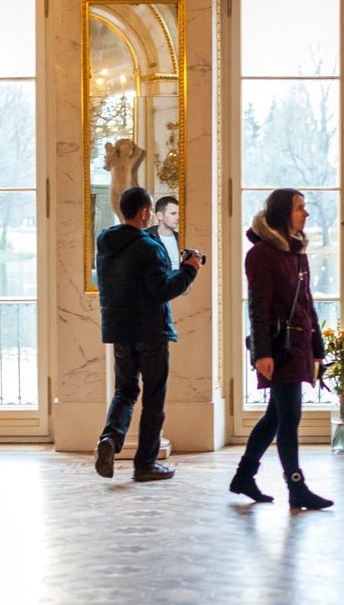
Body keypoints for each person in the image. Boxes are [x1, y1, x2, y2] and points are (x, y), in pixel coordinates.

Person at [228, 188, 333, 510]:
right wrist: (262, 353)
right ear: (283, 212)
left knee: (275, 417)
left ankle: (244, 476)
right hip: (278, 347)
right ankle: (296, 487)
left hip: (299, 346)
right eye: (300, 207)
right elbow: (257, 308)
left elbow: (307, 305)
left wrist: (318, 349)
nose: (306, 213)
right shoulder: (260, 254)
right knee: (289, 417)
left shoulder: (297, 251)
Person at [94, 187, 200, 482]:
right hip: (150, 331)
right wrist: (190, 269)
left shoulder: (104, 242)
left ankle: (111, 439)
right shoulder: (148, 247)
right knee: (153, 397)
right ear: (143, 212)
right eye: (151, 210)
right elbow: (162, 290)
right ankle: (146, 464)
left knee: (125, 392)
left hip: (118, 329)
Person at [151, 196, 181, 270]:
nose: (178, 217)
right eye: (173, 214)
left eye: (179, 214)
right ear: (159, 215)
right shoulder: (147, 238)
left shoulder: (182, 238)